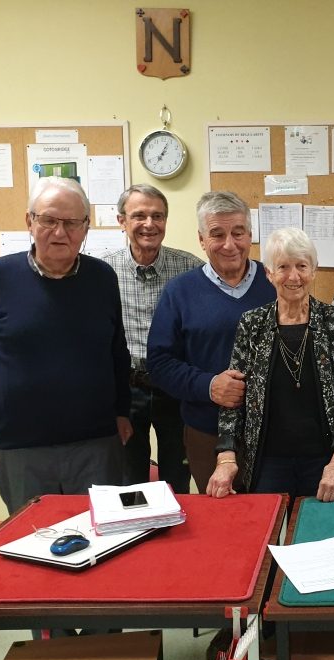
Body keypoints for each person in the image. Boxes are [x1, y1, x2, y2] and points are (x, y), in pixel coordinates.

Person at [0, 176, 132, 515]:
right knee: (33, 538)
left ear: (85, 228)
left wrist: (121, 411)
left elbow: (116, 352)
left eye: (71, 223)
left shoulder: (103, 278)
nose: (59, 232)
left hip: (96, 442)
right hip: (21, 445)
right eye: (48, 220)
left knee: (101, 535)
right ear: (29, 222)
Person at [205, 227, 334, 501]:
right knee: (268, 536)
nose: (293, 276)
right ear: (269, 273)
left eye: (302, 266)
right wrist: (226, 457)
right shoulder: (252, 324)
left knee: (322, 538)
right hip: (268, 462)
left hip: (325, 460)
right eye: (283, 267)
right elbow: (233, 395)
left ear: (313, 271)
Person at [146, 191, 276, 495]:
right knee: (224, 522)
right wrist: (208, 386)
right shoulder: (179, 292)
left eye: (238, 233)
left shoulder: (275, 282)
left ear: (250, 235)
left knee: (275, 515)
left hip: (273, 433)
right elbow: (160, 363)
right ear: (202, 240)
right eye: (217, 234)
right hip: (207, 432)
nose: (229, 244)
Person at [103, 184, 203, 493]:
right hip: (126, 389)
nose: (149, 224)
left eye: (157, 216)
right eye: (139, 215)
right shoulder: (103, 270)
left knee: (177, 476)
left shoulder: (190, 268)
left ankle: (177, 537)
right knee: (129, 479)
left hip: (175, 389)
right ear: (122, 221)